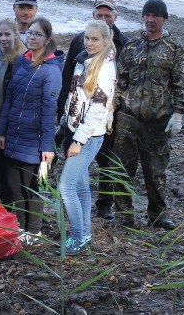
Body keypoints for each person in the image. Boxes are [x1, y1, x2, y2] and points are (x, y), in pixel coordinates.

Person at [111, 0, 184, 231]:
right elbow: (119, 80)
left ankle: (157, 215)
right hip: (128, 118)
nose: (150, 19)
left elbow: (181, 82)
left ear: (164, 19)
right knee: (122, 169)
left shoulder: (173, 47)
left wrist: (178, 113)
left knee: (156, 172)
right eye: (147, 15)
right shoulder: (132, 46)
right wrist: (112, 110)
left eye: (155, 16)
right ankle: (124, 216)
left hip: (157, 122)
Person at [58, 0, 129, 219]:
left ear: (115, 18)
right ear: (93, 16)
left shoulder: (123, 44)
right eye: (100, 14)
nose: (104, 18)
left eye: (108, 15)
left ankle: (105, 204)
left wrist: (113, 109)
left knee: (106, 160)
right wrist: (63, 111)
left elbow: (123, 81)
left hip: (105, 116)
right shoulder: (81, 42)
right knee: (78, 174)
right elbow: (69, 77)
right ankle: (82, 220)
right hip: (77, 117)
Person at [0, 17, 62, 247]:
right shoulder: (22, 62)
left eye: (38, 34)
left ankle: (35, 231)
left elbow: (49, 111)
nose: (32, 37)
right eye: (30, 33)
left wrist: (47, 147)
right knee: (14, 187)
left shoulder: (52, 71)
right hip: (14, 135)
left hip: (36, 141)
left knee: (35, 188)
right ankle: (21, 228)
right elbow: (10, 99)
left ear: (48, 40)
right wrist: (2, 131)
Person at [59, 20, 116, 255]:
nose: (90, 43)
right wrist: (65, 124)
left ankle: (77, 236)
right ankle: (85, 233)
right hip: (74, 129)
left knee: (66, 186)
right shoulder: (84, 59)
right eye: (87, 38)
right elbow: (76, 96)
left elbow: (97, 109)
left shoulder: (104, 67)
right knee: (81, 186)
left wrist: (78, 140)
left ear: (105, 40)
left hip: (89, 136)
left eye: (95, 39)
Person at [0, 18, 25, 201]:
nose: (3, 38)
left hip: (12, 124)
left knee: (8, 171)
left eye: (7, 34)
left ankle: (8, 209)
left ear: (16, 35)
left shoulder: (23, 58)